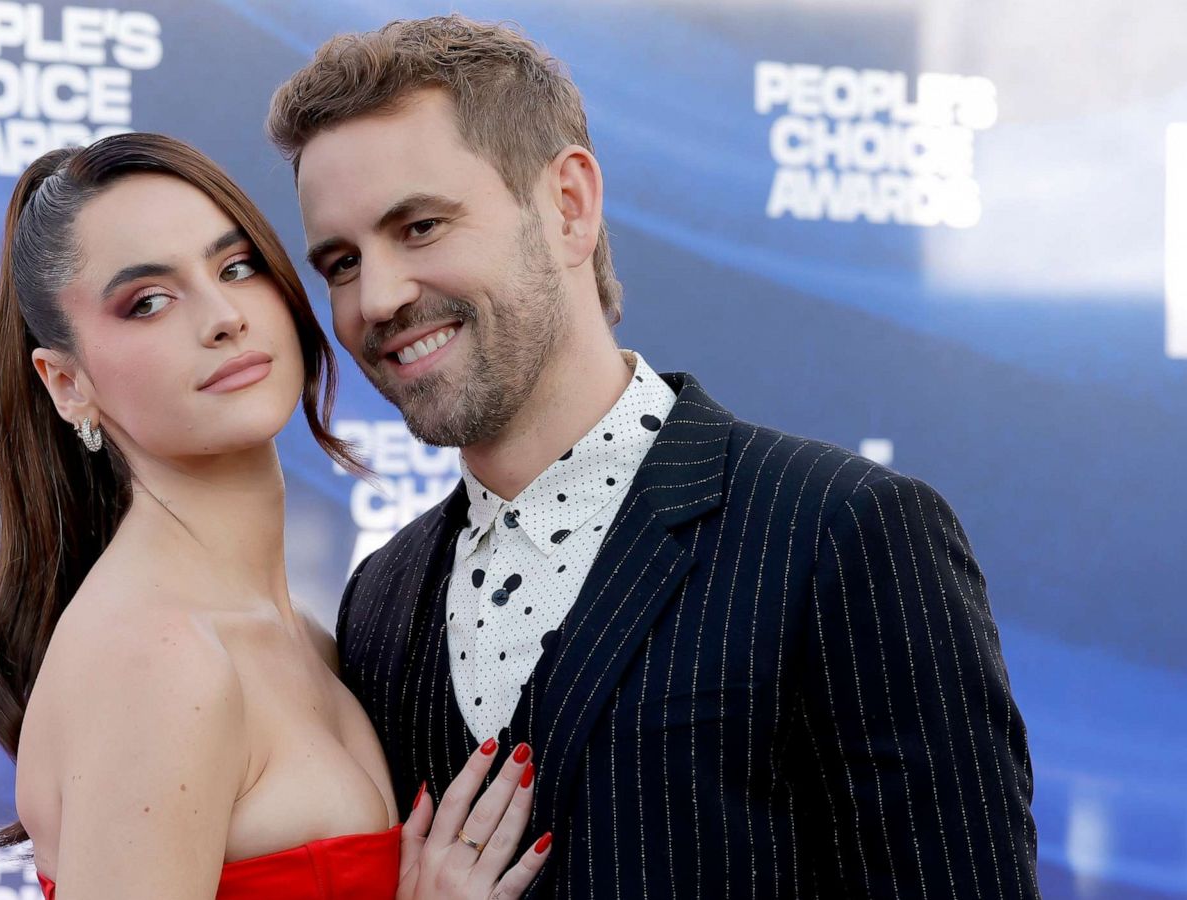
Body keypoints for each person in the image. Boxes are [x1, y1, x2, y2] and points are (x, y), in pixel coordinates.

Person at [270, 15, 1040, 899]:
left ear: (569, 206)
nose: (378, 297)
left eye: (420, 227)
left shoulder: (842, 534)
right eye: (339, 262)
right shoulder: (380, 599)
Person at [0, 133, 552, 899]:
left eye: (236, 267)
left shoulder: (304, 636)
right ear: (68, 383)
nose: (222, 317)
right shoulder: (160, 658)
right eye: (147, 302)